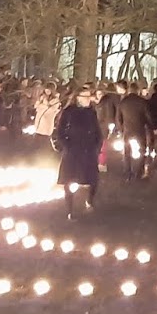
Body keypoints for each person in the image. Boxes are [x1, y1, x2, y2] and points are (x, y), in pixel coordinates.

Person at [53, 86, 103, 219]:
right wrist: (66, 145)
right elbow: (60, 131)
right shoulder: (69, 112)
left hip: (89, 150)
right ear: (78, 98)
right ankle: (70, 210)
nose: (88, 99)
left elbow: (97, 130)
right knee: (69, 180)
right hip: (73, 150)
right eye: (85, 96)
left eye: (89, 96)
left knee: (92, 179)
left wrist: (97, 145)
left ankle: (89, 202)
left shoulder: (91, 112)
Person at [117, 81, 152, 181]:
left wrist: (121, 129)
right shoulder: (142, 102)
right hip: (139, 130)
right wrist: (150, 126)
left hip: (127, 131)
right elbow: (148, 116)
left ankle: (127, 173)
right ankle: (138, 172)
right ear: (137, 91)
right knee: (141, 151)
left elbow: (118, 118)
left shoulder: (123, 102)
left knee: (127, 153)